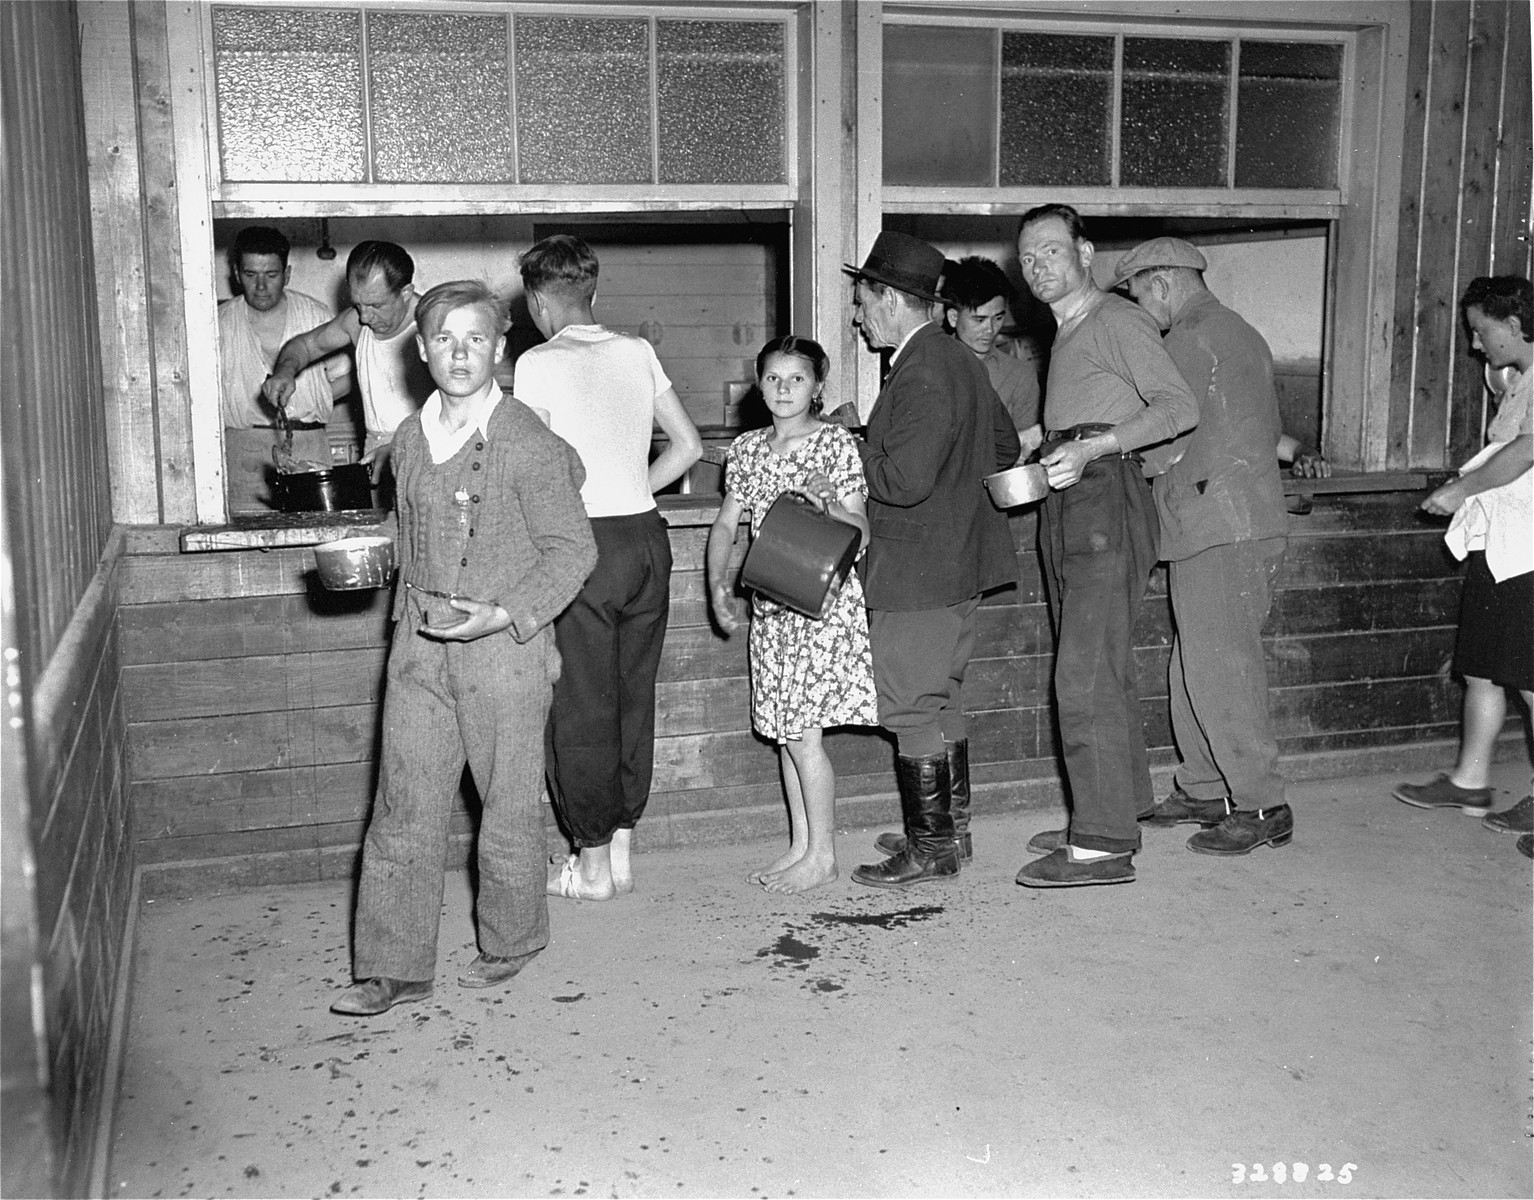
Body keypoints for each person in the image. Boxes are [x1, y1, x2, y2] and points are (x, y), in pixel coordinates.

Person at [330, 281, 596, 1017]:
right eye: (444, 339)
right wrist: (373, 556)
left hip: (504, 652)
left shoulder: (529, 443)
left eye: (475, 339)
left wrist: (507, 612)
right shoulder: (409, 440)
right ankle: (393, 964)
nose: (459, 353)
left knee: (505, 802)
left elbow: (573, 550)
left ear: (500, 349)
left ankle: (512, 939)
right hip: (417, 649)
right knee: (401, 803)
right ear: (420, 350)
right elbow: (411, 531)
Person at [512, 235, 703, 901]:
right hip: (646, 541)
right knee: (631, 697)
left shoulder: (536, 363)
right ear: (594, 293)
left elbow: (533, 470)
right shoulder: (637, 351)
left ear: (539, 301)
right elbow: (689, 446)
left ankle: (590, 867)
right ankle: (621, 849)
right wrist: (635, 490)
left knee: (581, 708)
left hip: (583, 547)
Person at [1012, 206, 1198, 889]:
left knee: (1082, 674)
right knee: (1104, 665)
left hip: (1105, 499)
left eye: (1052, 252)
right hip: (1072, 499)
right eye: (1028, 258)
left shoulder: (1116, 319)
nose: (1038, 267)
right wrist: (1046, 438)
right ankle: (1121, 805)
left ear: (1084, 252)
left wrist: (1093, 444)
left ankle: (1101, 843)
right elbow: (1094, 407)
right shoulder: (1067, 332)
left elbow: (1179, 406)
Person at [1107, 237, 1295, 855]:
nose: (1140, 305)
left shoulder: (1189, 339)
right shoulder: (1239, 332)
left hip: (1220, 524)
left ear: (1161, 283)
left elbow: (1167, 437)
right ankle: (1203, 786)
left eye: (1138, 292)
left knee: (1222, 668)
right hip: (1232, 520)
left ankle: (1262, 803)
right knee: (1195, 660)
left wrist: (1107, 456)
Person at [845, 231, 1021, 889]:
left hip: (916, 570)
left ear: (891, 299)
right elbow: (1002, 445)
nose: (859, 317)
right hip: (958, 562)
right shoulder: (958, 359)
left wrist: (847, 446)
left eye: (863, 302)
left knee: (911, 707)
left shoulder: (920, 368)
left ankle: (930, 850)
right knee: (941, 696)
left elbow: (904, 481)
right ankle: (951, 828)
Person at [706, 336, 878, 893]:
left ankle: (823, 856)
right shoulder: (749, 449)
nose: (784, 389)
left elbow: (862, 532)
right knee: (785, 732)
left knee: (804, 734)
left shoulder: (834, 444)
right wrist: (716, 584)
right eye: (774, 378)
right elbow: (728, 524)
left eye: (796, 379)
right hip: (772, 604)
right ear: (759, 385)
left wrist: (825, 502)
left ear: (818, 387)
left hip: (821, 606)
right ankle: (802, 846)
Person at [1394, 275, 1533, 856]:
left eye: (1481, 332)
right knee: (1482, 668)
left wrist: (1459, 490)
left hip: (1529, 551)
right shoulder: (1519, 381)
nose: (1476, 345)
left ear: (1516, 325)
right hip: (1502, 546)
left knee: (1531, 681)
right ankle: (1470, 782)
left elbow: (1528, 450)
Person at [263, 240, 434, 488]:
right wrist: (285, 371)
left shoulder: (433, 324)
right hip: (374, 449)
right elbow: (305, 345)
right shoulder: (357, 322)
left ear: (405, 293)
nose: (364, 316)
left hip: (426, 450)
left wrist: (403, 447)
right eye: (357, 304)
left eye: (376, 305)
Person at [217, 226, 344, 511]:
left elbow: (346, 377)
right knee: (247, 545)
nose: (261, 286)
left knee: (314, 542)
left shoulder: (316, 315)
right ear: (237, 274)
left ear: (286, 275)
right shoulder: (218, 323)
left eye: (271, 275)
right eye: (251, 275)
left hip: (309, 446)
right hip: (244, 453)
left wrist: (312, 398)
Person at [940, 255, 1044, 456]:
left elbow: (1024, 449)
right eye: (979, 320)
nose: (990, 329)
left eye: (998, 318)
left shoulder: (1020, 375)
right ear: (953, 317)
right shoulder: (928, 366)